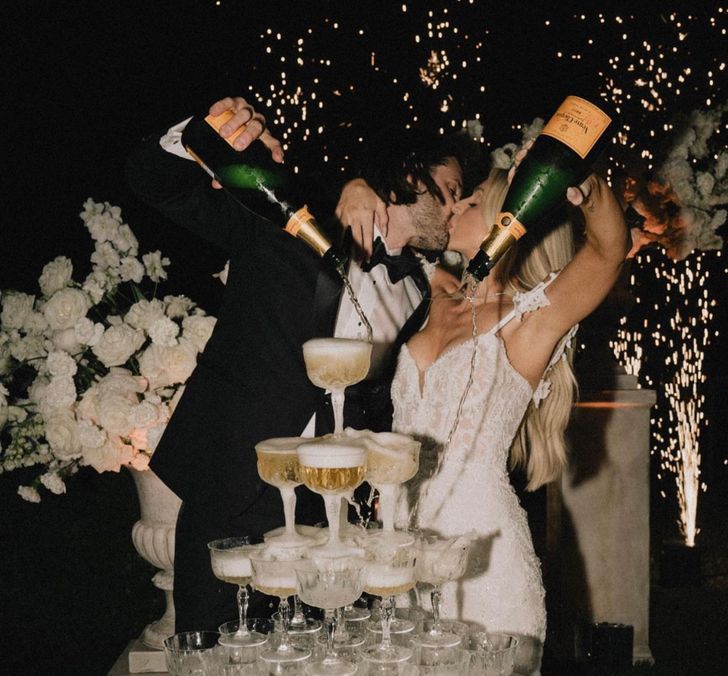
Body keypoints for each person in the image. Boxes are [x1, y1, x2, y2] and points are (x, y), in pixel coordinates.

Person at [126, 96, 483, 632]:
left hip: (330, 515)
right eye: (452, 191)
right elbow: (158, 184)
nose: (457, 207)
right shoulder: (287, 219)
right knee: (207, 650)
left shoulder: (415, 290)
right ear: (411, 177)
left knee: (316, 674)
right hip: (236, 489)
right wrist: (199, 134)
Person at [384, 165, 630, 676]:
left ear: (507, 217)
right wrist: (359, 188)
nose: (452, 206)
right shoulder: (435, 289)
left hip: (484, 562)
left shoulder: (530, 318)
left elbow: (608, 250)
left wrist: (584, 187)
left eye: (470, 201)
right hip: (399, 555)